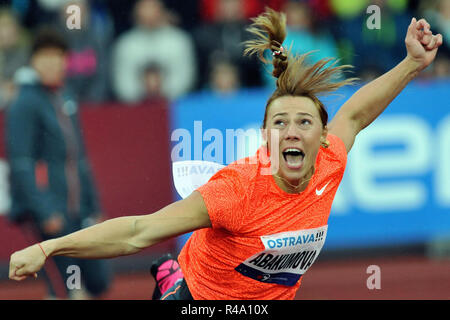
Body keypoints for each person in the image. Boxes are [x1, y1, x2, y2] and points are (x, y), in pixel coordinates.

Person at [8, 9, 443, 300]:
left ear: (321, 137)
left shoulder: (331, 158)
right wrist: (49, 248)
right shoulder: (235, 192)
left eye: (305, 123)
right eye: (280, 123)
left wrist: (410, 63)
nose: (292, 131)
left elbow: (358, 112)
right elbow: (139, 231)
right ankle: (171, 277)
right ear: (265, 136)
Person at [5, 28, 110, 299]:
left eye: (58, 56)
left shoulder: (66, 98)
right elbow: (21, 164)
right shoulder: (23, 104)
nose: (52, 63)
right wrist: (44, 211)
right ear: (34, 62)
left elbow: (80, 159)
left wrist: (93, 206)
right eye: (45, 57)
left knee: (99, 280)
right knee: (68, 286)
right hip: (48, 213)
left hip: (77, 210)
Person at [111, 0, 196, 102]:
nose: (149, 12)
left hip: (175, 106)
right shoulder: (125, 45)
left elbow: (185, 79)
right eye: (144, 7)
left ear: (162, 10)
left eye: (153, 7)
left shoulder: (179, 41)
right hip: (135, 108)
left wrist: (162, 92)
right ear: (135, 12)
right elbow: (123, 84)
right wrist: (144, 94)